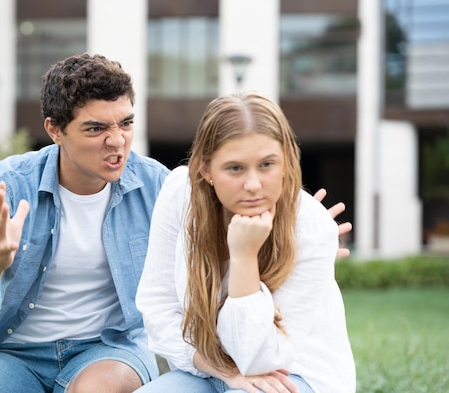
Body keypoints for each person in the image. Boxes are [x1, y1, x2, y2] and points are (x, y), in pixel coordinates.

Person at [0, 53, 171, 393]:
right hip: (15, 355)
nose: (117, 140)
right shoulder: (9, 183)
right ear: (55, 130)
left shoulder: (155, 185)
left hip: (108, 348)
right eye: (96, 128)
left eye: (125, 123)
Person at [135, 91, 356, 393]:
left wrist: (244, 257)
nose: (253, 185)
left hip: (293, 375)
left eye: (267, 165)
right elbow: (158, 308)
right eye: (235, 168)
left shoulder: (312, 226)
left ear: (287, 161)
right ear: (206, 170)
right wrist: (221, 369)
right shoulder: (179, 195)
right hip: (206, 370)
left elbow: (260, 360)